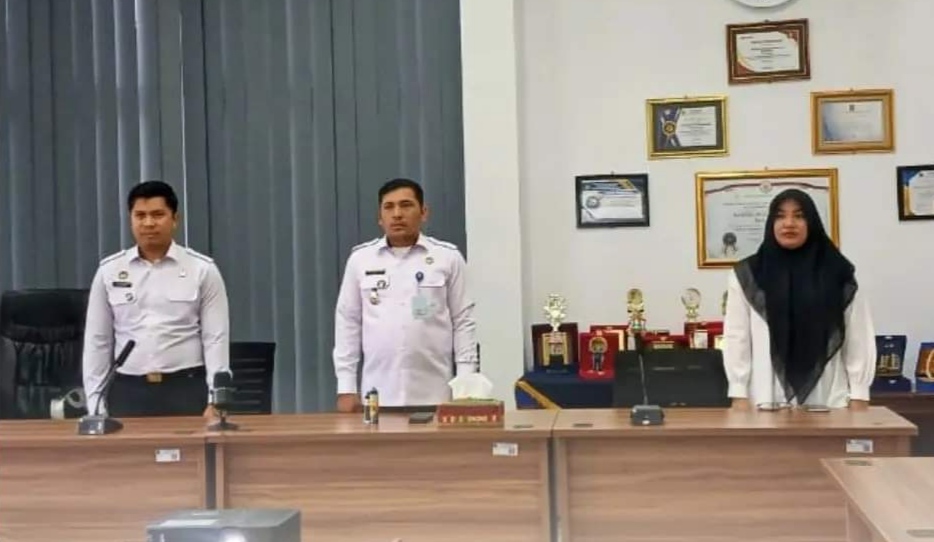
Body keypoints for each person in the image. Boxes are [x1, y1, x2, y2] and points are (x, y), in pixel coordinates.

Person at [82, 180, 230, 418]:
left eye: (158, 215)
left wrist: (216, 399)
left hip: (186, 388)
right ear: (131, 219)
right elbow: (97, 342)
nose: (148, 223)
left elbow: (216, 339)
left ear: (175, 219)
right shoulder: (109, 271)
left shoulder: (202, 270)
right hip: (128, 390)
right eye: (140, 215)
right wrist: (96, 405)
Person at [333, 178, 478, 413]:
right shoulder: (360, 260)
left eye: (406, 205)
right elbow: (347, 323)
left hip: (435, 392)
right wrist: (346, 386)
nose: (397, 214)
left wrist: (466, 383)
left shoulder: (448, 258)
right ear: (380, 217)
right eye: (389, 207)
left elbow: (463, 321)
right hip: (377, 393)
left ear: (424, 212)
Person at [722, 189, 876, 411]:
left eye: (799, 215)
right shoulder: (748, 275)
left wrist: (859, 394)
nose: (789, 223)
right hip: (764, 396)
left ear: (812, 222)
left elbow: (857, 335)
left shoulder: (838, 273)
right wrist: (738, 392)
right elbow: (737, 336)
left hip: (827, 396)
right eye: (780, 216)